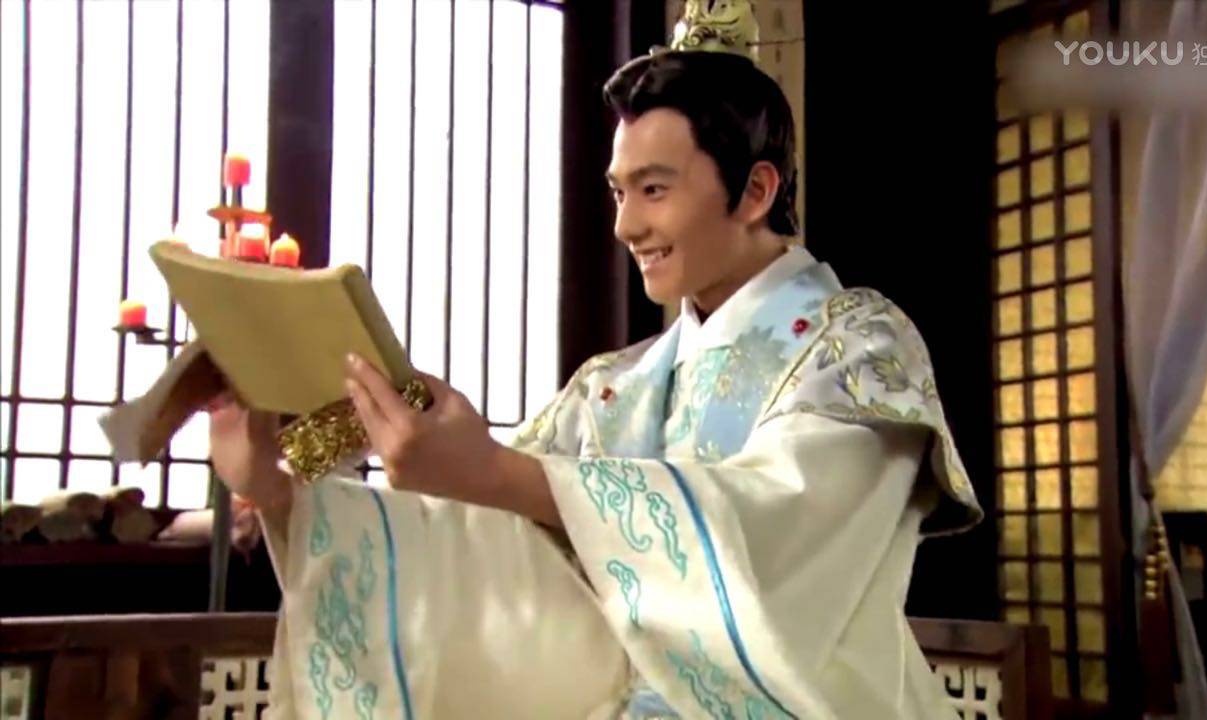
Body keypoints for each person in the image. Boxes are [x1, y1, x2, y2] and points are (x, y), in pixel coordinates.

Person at [210, 34, 982, 720]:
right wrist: (282, 488)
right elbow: (481, 550)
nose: (625, 226)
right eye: (619, 192)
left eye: (654, 189)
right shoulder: (612, 386)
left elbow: (776, 538)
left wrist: (498, 472)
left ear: (756, 191)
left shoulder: (857, 347)